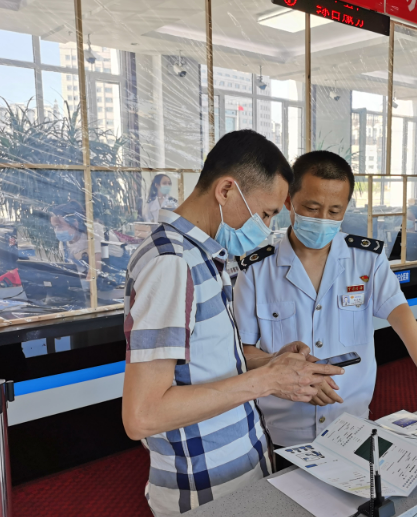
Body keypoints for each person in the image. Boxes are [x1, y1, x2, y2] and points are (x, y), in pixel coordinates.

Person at [121, 131, 344, 516]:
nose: (267, 226)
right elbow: (143, 414)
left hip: (237, 469)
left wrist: (271, 363)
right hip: (205, 489)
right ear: (226, 190)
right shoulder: (171, 263)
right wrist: (267, 381)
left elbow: (201, 365)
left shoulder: (203, 255)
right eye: (266, 213)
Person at [233, 150, 417, 464]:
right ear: (289, 201)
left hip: (352, 426)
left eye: (335, 210)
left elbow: (404, 321)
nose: (323, 219)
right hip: (280, 434)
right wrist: (290, 374)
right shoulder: (257, 267)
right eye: (311, 207)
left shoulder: (367, 259)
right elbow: (242, 351)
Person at [50, 200, 103, 279]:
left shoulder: (93, 230)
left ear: (75, 223)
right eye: (54, 227)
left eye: (59, 226)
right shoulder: (63, 244)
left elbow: (96, 267)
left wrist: (86, 287)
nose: (56, 231)